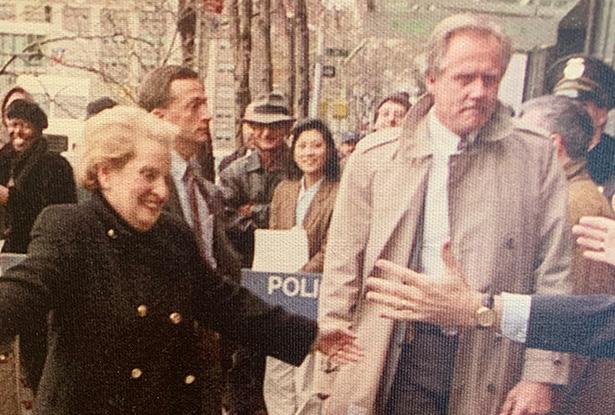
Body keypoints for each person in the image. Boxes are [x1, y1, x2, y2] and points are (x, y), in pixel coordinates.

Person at [0, 105, 360, 415]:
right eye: (148, 175)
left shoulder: (172, 234)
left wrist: (310, 335)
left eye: (165, 177)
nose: (161, 191)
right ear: (105, 171)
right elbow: (28, 286)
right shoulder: (69, 227)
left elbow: (223, 302)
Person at [317, 13, 571, 415]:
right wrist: (332, 352)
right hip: (393, 351)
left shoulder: (535, 156)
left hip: (491, 355)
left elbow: (554, 273)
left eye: (490, 79)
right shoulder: (376, 156)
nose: (479, 91)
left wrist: (540, 375)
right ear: (432, 79)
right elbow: (343, 261)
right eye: (464, 78)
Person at [137, 65, 241, 413]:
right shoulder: (136, 191)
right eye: (195, 105)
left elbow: (219, 269)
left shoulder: (202, 188)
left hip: (205, 361)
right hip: (156, 369)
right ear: (159, 117)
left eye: (206, 103)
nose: (207, 115)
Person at [517, 95, 615, 414]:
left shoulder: (574, 208)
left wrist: (545, 386)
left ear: (552, 144)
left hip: (568, 397)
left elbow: (577, 317)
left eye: (522, 138)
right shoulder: (572, 198)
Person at [263, 118, 340, 415]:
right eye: (302, 145)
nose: (309, 152)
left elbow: (332, 248)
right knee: (278, 370)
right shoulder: (284, 190)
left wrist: (299, 274)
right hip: (280, 292)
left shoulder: (338, 192)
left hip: (313, 291)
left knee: (307, 371)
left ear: (328, 151)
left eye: (317, 145)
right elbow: (274, 235)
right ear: (293, 150)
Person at [219, 92, 295, 268]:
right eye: (259, 126)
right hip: (244, 262)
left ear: (287, 128)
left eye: (275, 126)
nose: (266, 133)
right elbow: (225, 218)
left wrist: (253, 210)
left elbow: (305, 215)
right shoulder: (234, 172)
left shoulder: (301, 170)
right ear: (252, 128)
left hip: (292, 264)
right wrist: (267, 234)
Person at [546, 54, 615, 193]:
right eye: (564, 104)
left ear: (602, 115)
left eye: (582, 106)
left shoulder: (610, 161)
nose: (571, 112)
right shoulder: (543, 150)